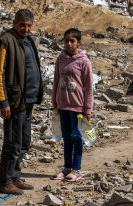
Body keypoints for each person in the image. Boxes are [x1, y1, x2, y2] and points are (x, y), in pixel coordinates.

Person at [0, 9, 43, 195]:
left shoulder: (28, 41)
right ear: (14, 23)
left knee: (24, 141)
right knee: (12, 142)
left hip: (28, 100)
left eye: (29, 26)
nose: (26, 29)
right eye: (22, 25)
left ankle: (15, 175)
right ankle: (5, 181)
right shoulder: (6, 41)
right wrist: (3, 101)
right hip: (14, 101)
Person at [51, 28, 94, 182]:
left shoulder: (84, 61)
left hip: (77, 106)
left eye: (72, 41)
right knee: (66, 137)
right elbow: (56, 80)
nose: (69, 44)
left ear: (78, 43)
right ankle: (67, 168)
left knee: (76, 137)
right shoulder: (60, 59)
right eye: (66, 41)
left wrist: (88, 108)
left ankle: (76, 169)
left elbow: (89, 87)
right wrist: (54, 101)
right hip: (62, 105)